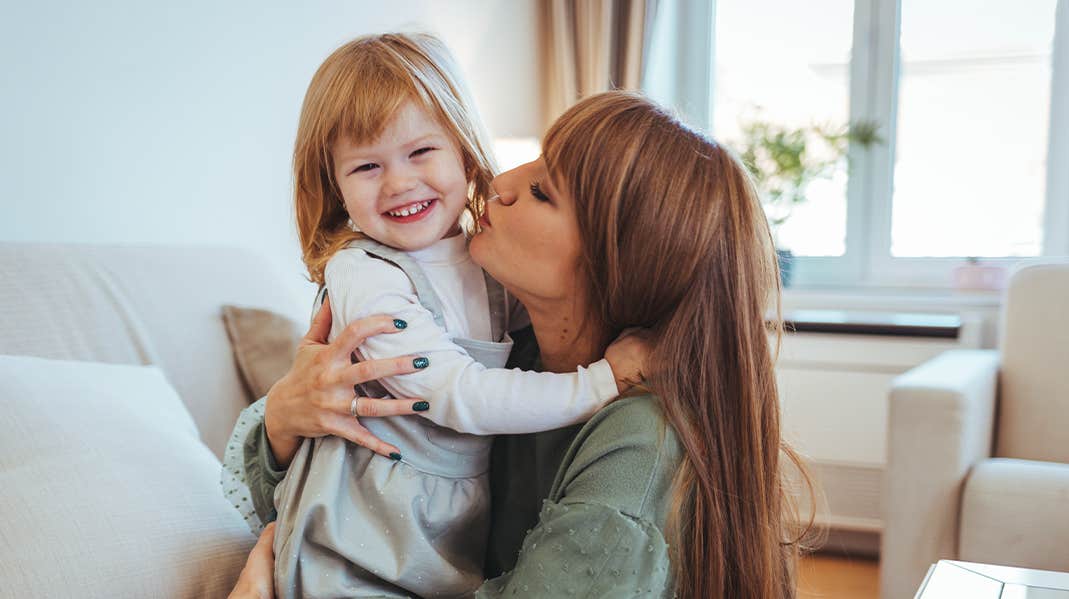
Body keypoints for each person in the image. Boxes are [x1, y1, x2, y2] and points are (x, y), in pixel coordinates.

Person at [229, 90, 820, 599]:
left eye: (543, 192)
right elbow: (308, 498)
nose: (500, 183)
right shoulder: (508, 357)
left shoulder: (637, 447)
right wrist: (283, 422)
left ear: (617, 263)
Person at [220, 33, 646, 599]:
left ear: (464, 149)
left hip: (442, 528)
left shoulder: (481, 259)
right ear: (335, 187)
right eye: (367, 166)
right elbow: (456, 393)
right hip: (356, 534)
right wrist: (600, 383)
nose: (398, 183)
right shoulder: (364, 274)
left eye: (421, 152)